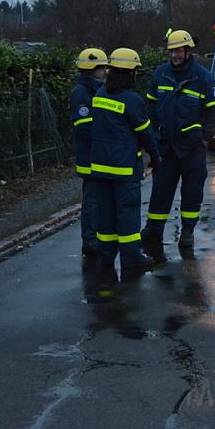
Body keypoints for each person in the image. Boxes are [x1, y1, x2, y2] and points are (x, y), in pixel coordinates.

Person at [141, 30, 215, 262]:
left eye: (178, 50)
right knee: (160, 192)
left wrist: (203, 136)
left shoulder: (203, 78)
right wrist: (153, 138)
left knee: (192, 191)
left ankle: (187, 231)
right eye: (171, 51)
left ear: (188, 51)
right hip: (166, 147)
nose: (174, 55)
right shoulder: (160, 75)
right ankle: (153, 231)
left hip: (192, 148)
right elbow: (150, 108)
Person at [90, 48, 161, 271]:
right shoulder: (132, 100)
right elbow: (146, 133)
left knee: (106, 213)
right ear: (130, 73)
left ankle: (107, 255)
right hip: (124, 170)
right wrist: (155, 158)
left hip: (100, 168)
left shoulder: (100, 94)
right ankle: (131, 258)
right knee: (127, 212)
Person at [69, 48, 109, 257]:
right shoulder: (82, 93)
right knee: (92, 201)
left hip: (97, 156)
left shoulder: (92, 89)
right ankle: (90, 241)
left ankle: (95, 238)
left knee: (98, 200)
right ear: (93, 70)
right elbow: (85, 128)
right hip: (91, 158)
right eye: (103, 68)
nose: (105, 72)